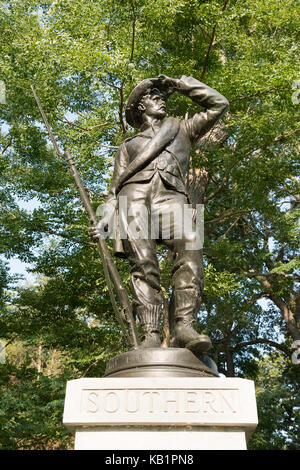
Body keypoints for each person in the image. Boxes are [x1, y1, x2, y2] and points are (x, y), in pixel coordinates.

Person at [90, 74, 229, 353]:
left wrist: (182, 84)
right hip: (133, 202)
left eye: (163, 97)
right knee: (143, 266)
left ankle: (184, 326)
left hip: (173, 198)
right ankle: (151, 334)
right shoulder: (127, 146)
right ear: (141, 107)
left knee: (192, 246)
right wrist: (105, 221)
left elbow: (219, 104)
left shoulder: (182, 129)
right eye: (155, 98)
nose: (162, 101)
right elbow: (113, 191)